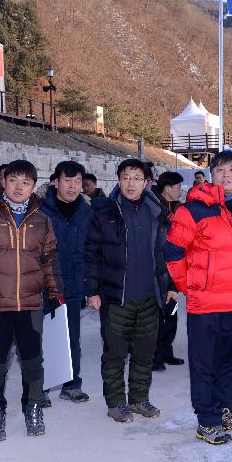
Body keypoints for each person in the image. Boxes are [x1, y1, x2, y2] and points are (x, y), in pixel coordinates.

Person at [0, 160, 64, 443]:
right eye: (14, 180)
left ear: (33, 187)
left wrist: (56, 295)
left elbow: (50, 261)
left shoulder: (42, 221)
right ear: (3, 182)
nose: (19, 187)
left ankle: (33, 408)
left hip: (31, 305)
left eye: (26, 183)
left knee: (33, 362)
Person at [164, 150, 232, 445]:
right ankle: (207, 419)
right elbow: (172, 253)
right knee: (205, 364)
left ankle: (229, 409)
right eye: (220, 170)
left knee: (231, 363)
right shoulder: (193, 210)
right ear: (211, 175)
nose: (227, 175)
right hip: (206, 303)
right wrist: (192, 286)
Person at [84, 159, 175, 423]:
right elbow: (91, 254)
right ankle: (116, 403)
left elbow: (166, 253)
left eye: (136, 178)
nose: (130, 183)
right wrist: (92, 290)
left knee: (145, 352)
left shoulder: (157, 211)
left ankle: (139, 399)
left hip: (150, 296)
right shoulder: (104, 211)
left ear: (147, 182)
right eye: (125, 177)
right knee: (115, 353)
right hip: (117, 297)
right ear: (118, 180)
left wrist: (171, 286)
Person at [40, 160, 92, 403]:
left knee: (72, 336)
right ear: (55, 181)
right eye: (68, 180)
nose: (73, 187)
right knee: (43, 337)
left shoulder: (87, 212)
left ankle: (72, 384)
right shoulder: (40, 211)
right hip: (43, 286)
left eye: (78, 182)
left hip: (73, 284)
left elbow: (92, 251)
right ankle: (41, 387)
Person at [151, 171, 185, 372]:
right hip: (159, 269)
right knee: (157, 316)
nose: (181, 191)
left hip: (173, 268)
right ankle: (155, 356)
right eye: (178, 187)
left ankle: (166, 352)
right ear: (167, 188)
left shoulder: (177, 209)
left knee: (171, 314)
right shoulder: (155, 209)